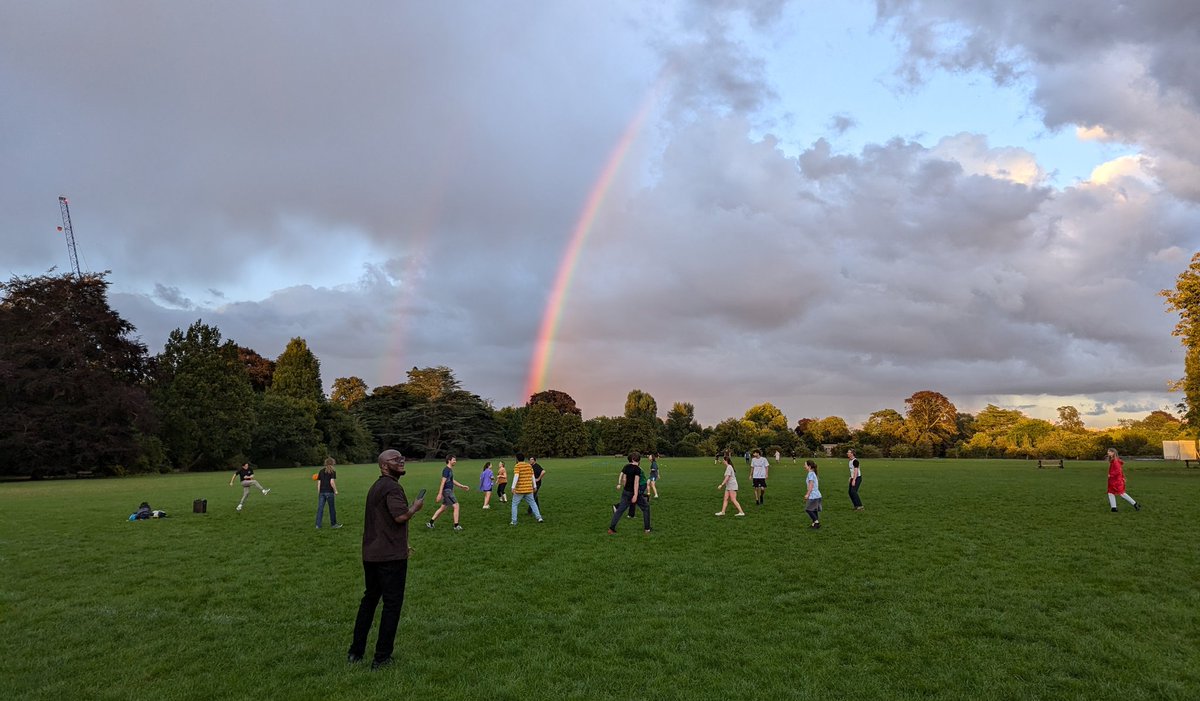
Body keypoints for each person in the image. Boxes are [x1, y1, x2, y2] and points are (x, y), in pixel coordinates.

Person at [348, 449, 425, 670]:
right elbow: (400, 516)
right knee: (391, 605)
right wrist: (415, 508)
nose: (401, 461)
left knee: (369, 600)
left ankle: (356, 651)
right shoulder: (392, 487)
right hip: (390, 558)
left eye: (402, 458)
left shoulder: (376, 487)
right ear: (383, 465)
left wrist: (403, 543)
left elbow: (384, 522)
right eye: (395, 459)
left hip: (371, 554)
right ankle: (381, 658)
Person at [608, 451, 651, 534]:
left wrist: (623, 485)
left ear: (631, 459)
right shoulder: (638, 469)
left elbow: (624, 479)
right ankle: (647, 529)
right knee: (646, 508)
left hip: (625, 492)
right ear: (638, 460)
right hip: (633, 492)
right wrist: (635, 495)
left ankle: (611, 529)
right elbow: (636, 482)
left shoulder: (626, 466)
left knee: (620, 510)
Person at [427, 455, 469, 531]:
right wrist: (439, 494)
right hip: (447, 491)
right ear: (449, 460)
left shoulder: (450, 470)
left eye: (455, 460)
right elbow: (442, 482)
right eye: (454, 460)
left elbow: (452, 480)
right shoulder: (446, 470)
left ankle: (430, 523)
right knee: (456, 505)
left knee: (443, 508)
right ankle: (456, 526)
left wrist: (462, 486)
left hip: (448, 491)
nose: (455, 461)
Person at [510, 452, 543, 525]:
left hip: (520, 490)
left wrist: (513, 487)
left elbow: (516, 476)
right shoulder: (529, 466)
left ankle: (514, 521)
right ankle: (539, 517)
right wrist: (534, 486)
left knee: (514, 504)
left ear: (517, 459)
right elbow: (532, 476)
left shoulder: (517, 466)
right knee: (533, 503)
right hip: (529, 489)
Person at [1106, 448, 1142, 513]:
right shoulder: (1114, 460)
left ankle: (1135, 504)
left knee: (1121, 493)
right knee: (1111, 493)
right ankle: (1114, 508)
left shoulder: (1115, 461)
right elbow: (1120, 471)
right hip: (1115, 480)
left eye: (1109, 451)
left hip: (1116, 481)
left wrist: (1111, 475)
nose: (1108, 452)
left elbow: (1118, 471)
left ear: (1113, 453)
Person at [315, 457, 342, 529]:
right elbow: (332, 482)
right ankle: (333, 524)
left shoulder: (321, 471)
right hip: (329, 492)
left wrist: (319, 492)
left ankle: (318, 525)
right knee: (332, 509)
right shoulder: (332, 471)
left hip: (322, 492)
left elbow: (319, 483)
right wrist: (335, 490)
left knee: (320, 509)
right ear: (332, 463)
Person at [804, 460, 823, 529]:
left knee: (808, 509)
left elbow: (811, 485)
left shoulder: (811, 474)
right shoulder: (813, 473)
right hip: (817, 495)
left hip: (813, 495)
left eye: (805, 465)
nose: (804, 466)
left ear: (809, 466)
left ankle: (816, 522)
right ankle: (814, 524)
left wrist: (807, 494)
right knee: (814, 510)